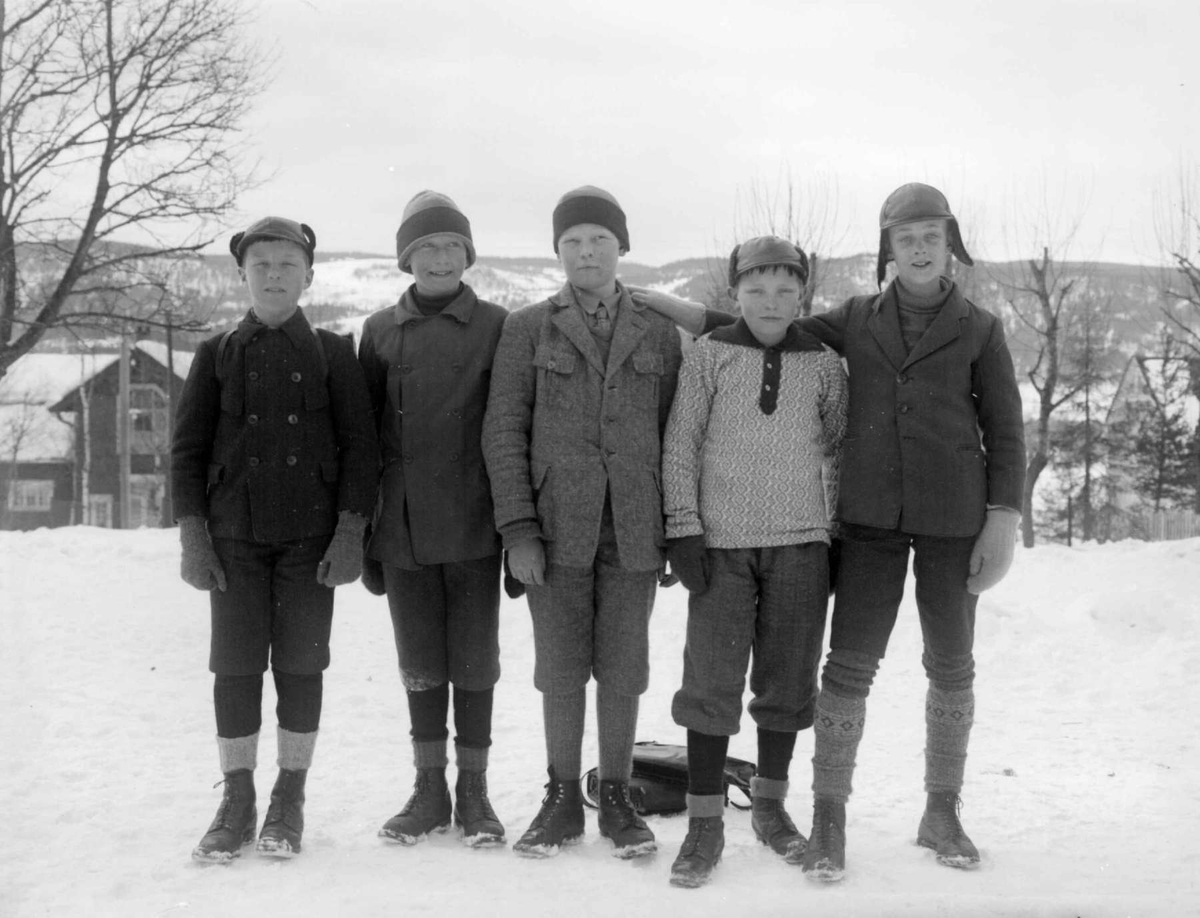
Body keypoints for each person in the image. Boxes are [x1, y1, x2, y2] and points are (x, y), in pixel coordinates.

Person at [635, 183, 1025, 881]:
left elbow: (1005, 430)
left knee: (952, 666)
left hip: (952, 523)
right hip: (869, 527)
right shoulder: (856, 318)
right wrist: (677, 308)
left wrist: (1003, 518)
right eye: (905, 238)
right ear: (887, 249)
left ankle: (943, 811)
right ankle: (829, 817)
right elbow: (760, 324)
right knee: (846, 668)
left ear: (951, 242)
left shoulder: (981, 329)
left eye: (931, 235)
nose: (919, 248)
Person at [482, 186, 682, 859]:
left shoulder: (657, 329)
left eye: (599, 238)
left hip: (634, 529)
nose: (586, 251)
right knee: (560, 669)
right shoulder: (528, 326)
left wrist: (677, 529)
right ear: (558, 252)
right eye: (572, 241)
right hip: (554, 528)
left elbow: (677, 435)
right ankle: (563, 796)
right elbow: (503, 430)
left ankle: (619, 797)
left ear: (621, 246)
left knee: (625, 668)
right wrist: (517, 530)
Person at [173, 216, 379, 862]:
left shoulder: (332, 353)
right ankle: (238, 798)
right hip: (233, 543)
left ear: (309, 277)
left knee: (300, 665)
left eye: (287, 265)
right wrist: (193, 538)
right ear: (242, 275)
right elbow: (185, 454)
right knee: (234, 668)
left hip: (309, 548)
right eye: (260, 264)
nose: (273, 275)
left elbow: (361, 451)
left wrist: (350, 533)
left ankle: (290, 795)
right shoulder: (215, 356)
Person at [661, 237, 847, 888]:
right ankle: (704, 823)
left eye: (785, 289)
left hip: (801, 544)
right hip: (719, 546)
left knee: (788, 683)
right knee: (711, 685)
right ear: (734, 294)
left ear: (804, 295)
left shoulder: (824, 364)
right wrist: (683, 529)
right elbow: (681, 441)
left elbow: (841, 452)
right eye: (757, 289)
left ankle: (769, 809)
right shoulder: (711, 356)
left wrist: (839, 535)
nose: (771, 301)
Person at [357, 191, 509, 848]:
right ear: (407, 259)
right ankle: (428, 790)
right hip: (404, 525)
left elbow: (510, 428)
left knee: (475, 663)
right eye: (426, 248)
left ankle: (474, 793)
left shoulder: (501, 324)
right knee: (419, 660)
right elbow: (363, 437)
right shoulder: (379, 330)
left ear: (467, 256)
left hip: (475, 522)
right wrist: (366, 533)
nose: (440, 259)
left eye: (452, 247)